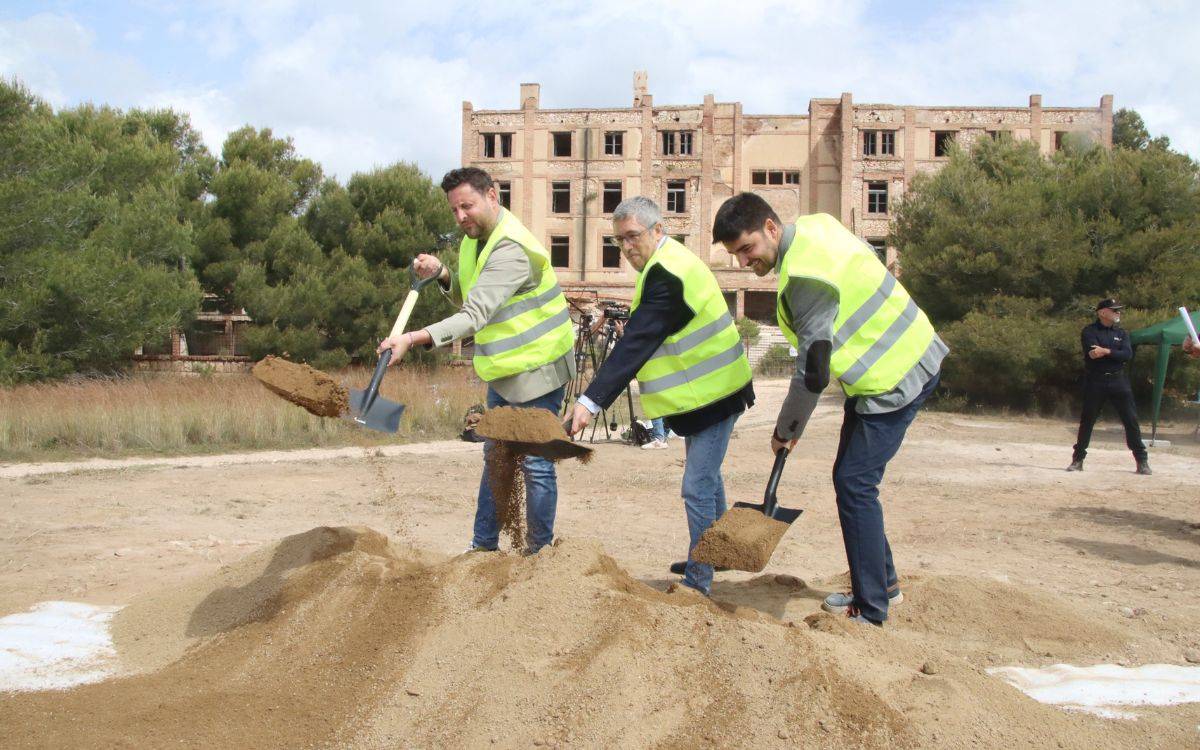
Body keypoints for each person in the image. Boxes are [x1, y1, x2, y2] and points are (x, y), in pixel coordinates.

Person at [713, 194, 947, 626]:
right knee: (852, 480)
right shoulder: (818, 226)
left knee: (855, 484)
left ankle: (872, 608)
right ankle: (884, 584)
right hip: (906, 353)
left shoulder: (804, 277)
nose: (744, 262)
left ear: (770, 228)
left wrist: (786, 427)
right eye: (735, 255)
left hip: (894, 376)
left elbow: (813, 370)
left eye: (747, 249)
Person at [377, 167, 575, 553]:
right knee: (496, 455)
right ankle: (483, 548)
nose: (460, 217)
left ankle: (540, 556)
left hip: (541, 369)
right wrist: (443, 274)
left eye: (466, 206)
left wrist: (414, 338)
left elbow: (474, 317)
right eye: (454, 210)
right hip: (504, 371)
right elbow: (468, 299)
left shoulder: (512, 247)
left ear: (492, 196)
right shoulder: (475, 241)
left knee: (535, 464)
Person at [568, 196, 754, 595]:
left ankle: (699, 581)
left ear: (658, 230)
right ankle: (714, 552)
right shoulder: (666, 263)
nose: (627, 247)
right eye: (619, 241)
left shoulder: (667, 273)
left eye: (633, 236)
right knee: (707, 478)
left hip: (714, 393)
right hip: (707, 392)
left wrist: (589, 401)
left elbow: (637, 343)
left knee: (697, 486)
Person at [1067, 299, 1151, 475]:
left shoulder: (1122, 333)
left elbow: (1126, 354)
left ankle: (1142, 461)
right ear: (1102, 313)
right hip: (1095, 381)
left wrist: (1106, 351)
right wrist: (1111, 353)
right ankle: (1078, 459)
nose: (1118, 313)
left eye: (1119, 310)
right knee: (1088, 420)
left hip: (1118, 381)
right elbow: (1092, 354)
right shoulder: (1089, 331)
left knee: (1131, 420)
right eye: (1114, 310)